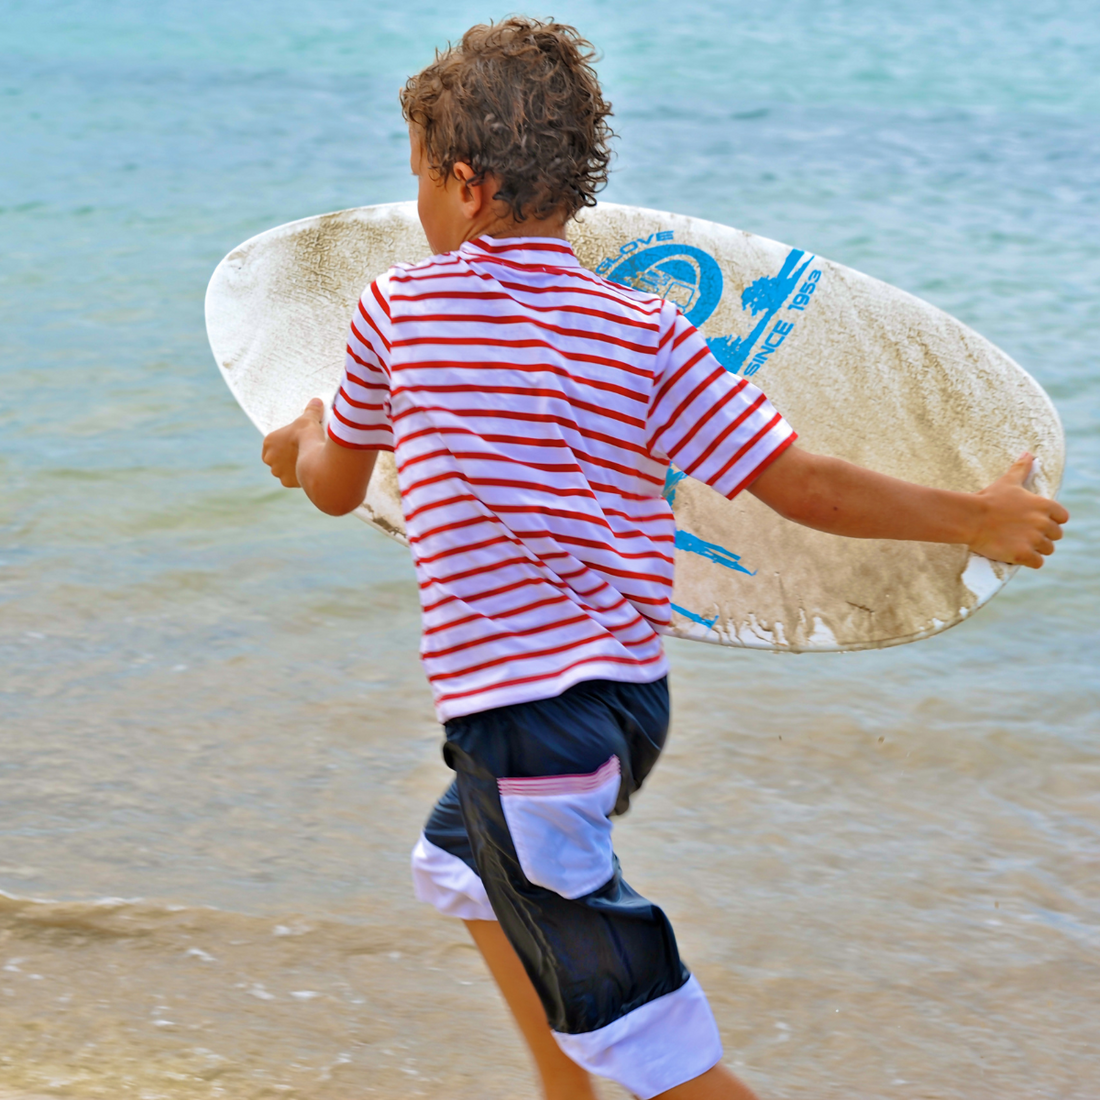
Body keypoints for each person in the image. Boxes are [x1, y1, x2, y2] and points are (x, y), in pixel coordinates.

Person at [260, 18, 1068, 1100]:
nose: (415, 207)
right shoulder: (644, 334)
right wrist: (970, 517)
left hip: (520, 720)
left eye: (417, 179)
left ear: (461, 184)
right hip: (623, 703)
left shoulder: (398, 313)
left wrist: (296, 435)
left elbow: (335, 484)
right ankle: (567, 1092)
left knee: (647, 1036)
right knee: (459, 865)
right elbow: (802, 484)